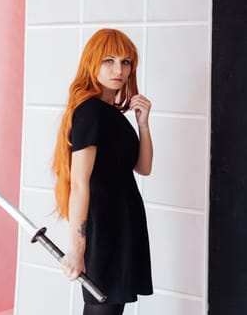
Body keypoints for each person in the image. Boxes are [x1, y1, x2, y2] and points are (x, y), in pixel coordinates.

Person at [52, 28, 153, 315]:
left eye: (125, 62)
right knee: (103, 309)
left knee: (112, 308)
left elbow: (143, 168)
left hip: (123, 223)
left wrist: (143, 124)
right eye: (108, 60)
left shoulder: (111, 114)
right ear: (92, 63)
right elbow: (80, 184)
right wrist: (77, 248)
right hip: (104, 226)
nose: (118, 69)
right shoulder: (90, 111)